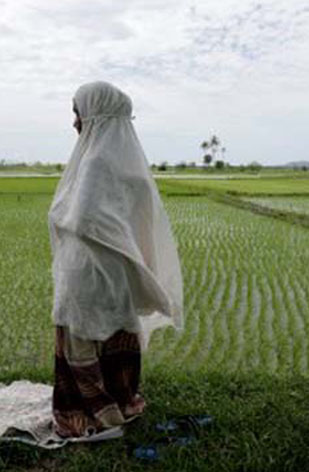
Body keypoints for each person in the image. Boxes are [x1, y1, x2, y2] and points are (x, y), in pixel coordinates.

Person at [47, 81, 184, 438]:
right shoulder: (128, 163)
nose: (75, 122)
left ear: (94, 113)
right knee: (115, 330)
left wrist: (56, 213)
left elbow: (83, 217)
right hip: (117, 267)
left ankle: (84, 410)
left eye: (77, 112)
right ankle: (120, 400)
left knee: (81, 333)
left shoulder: (94, 161)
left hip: (87, 269)